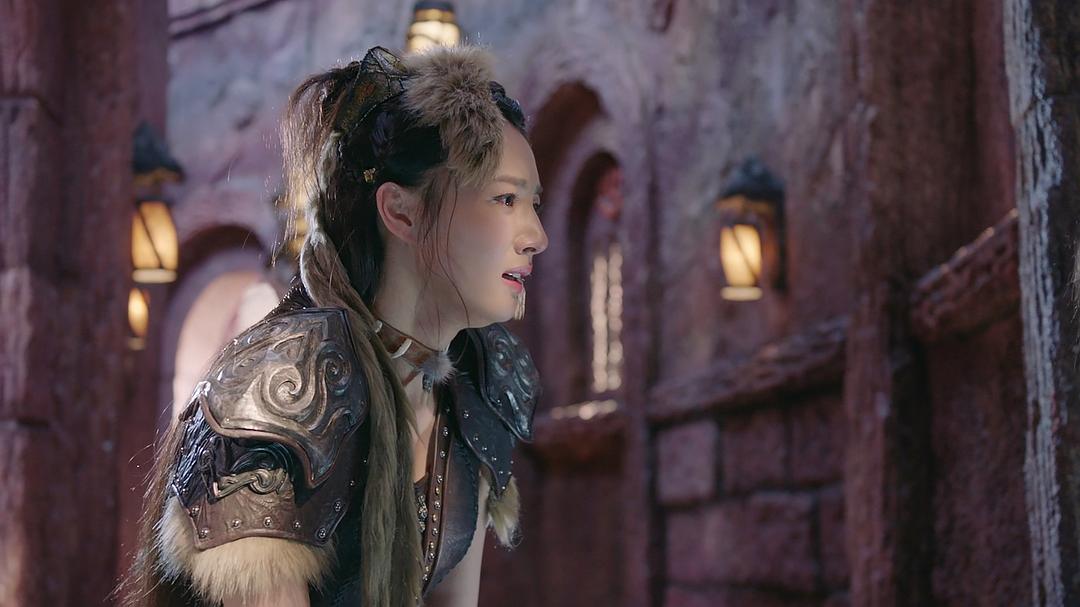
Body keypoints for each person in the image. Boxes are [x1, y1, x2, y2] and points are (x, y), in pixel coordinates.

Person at [120, 44, 548, 607]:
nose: (536, 237)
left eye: (533, 204)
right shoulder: (278, 398)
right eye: (505, 198)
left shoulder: (477, 382)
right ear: (401, 211)